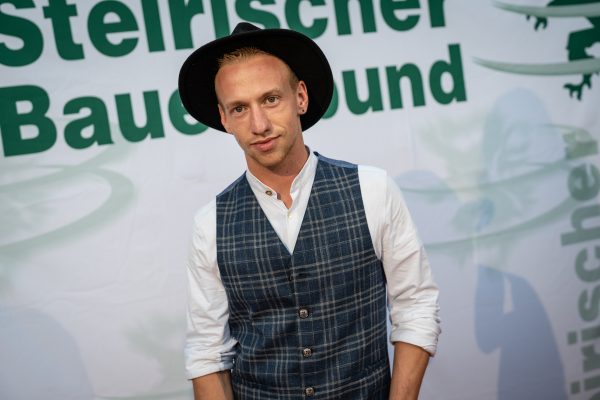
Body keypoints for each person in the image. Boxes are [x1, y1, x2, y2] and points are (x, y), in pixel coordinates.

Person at [179, 22, 441, 400]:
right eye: (240, 108)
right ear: (224, 118)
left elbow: (416, 308)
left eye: (271, 99)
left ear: (300, 97)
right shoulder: (210, 225)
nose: (259, 124)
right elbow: (207, 353)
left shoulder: (373, 189)